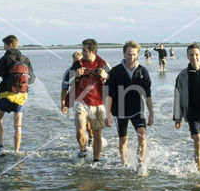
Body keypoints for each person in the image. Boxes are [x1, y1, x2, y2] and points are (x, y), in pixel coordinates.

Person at [105, 41, 154, 175]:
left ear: (137, 54)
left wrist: (151, 113)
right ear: (124, 54)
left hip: (138, 109)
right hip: (119, 110)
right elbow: (109, 95)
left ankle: (140, 165)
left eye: (134, 54)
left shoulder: (142, 71)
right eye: (128, 54)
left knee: (142, 135)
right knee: (123, 139)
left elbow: (148, 95)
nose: (131, 57)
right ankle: (125, 164)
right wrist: (107, 115)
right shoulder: (115, 71)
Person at [62, 38, 110, 162]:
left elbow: (115, 81)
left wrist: (105, 76)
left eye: (85, 50)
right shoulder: (77, 64)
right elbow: (65, 82)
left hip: (98, 104)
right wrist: (75, 75)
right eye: (82, 50)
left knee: (97, 134)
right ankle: (83, 152)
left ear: (93, 51)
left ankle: (96, 160)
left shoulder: (103, 64)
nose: (82, 52)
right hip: (81, 102)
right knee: (79, 131)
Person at [0, 35, 36, 156]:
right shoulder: (26, 59)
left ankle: (0, 147)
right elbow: (32, 79)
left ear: (10, 45)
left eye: (4, 45)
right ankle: (16, 151)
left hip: (6, 95)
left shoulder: (5, 59)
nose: (3, 48)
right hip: (21, 97)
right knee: (18, 124)